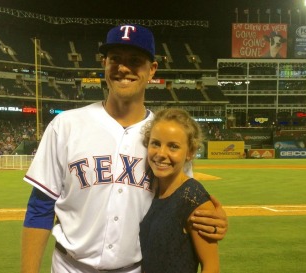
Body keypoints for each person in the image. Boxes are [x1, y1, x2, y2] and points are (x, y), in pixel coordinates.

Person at [21, 24, 228, 273]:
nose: (123, 68)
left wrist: (209, 221)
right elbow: (41, 207)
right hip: (69, 267)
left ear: (152, 70)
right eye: (115, 59)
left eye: (135, 60)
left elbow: (180, 206)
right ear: (104, 64)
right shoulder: (66, 125)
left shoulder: (165, 137)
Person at [140, 108, 219, 273]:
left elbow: (211, 267)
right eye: (155, 143)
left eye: (173, 146)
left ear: (189, 152)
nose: (161, 154)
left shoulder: (192, 196)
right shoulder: (153, 191)